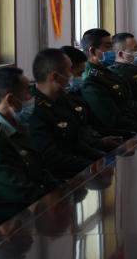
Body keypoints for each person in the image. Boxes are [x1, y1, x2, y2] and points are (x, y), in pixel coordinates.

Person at [0, 67, 59, 206]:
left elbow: (38, 169)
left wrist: (60, 188)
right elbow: (21, 194)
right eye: (28, 92)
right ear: (10, 100)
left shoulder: (10, 123)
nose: (32, 97)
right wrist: (57, 199)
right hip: (16, 215)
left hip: (40, 200)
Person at [28, 48, 111, 178]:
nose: (72, 76)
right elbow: (51, 157)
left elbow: (76, 141)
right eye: (69, 71)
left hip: (80, 168)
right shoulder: (33, 109)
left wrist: (102, 158)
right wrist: (91, 166)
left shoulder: (63, 98)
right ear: (55, 77)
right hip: (61, 177)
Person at [79, 28, 137, 135]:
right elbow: (112, 119)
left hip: (134, 124)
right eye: (108, 46)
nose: (113, 51)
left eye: (112, 46)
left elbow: (127, 106)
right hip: (119, 135)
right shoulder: (90, 80)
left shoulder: (106, 72)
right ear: (93, 51)